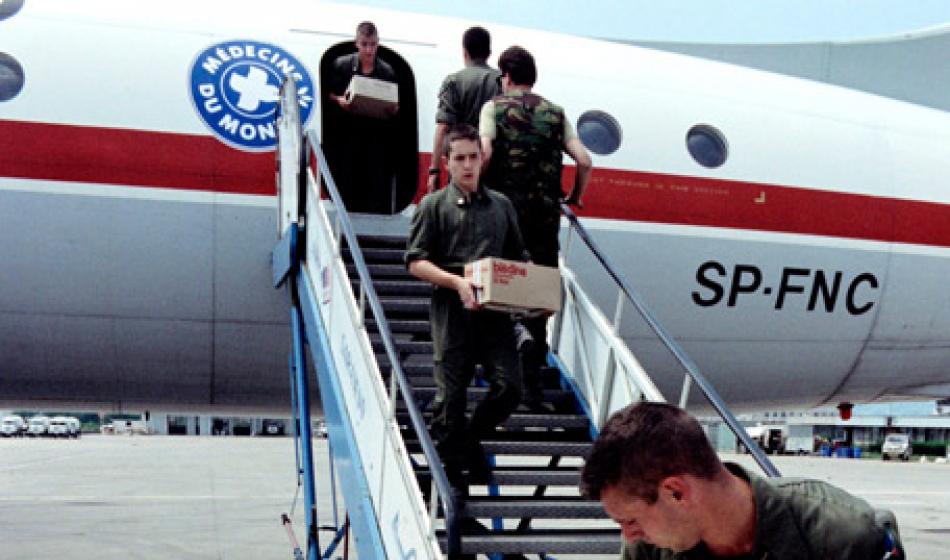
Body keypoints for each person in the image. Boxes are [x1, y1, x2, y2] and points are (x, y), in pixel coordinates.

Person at [581, 402, 905, 560]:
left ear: (676, 492)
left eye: (630, 520)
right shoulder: (647, 550)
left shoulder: (842, 535)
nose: (628, 534)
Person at [405, 124, 528, 501]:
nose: (468, 165)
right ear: (446, 163)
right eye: (460, 158)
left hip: (493, 312)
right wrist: (456, 283)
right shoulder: (433, 207)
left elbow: (519, 255)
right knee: (450, 397)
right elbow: (415, 262)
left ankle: (468, 440)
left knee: (510, 388)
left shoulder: (501, 206)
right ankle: (451, 473)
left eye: (474, 157)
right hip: (452, 307)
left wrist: (527, 288)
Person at [479, 45, 593, 411]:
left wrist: (473, 195)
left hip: (503, 216)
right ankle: (532, 391)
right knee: (538, 299)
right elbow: (585, 160)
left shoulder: (493, 108)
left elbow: (486, 152)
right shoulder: (556, 114)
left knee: (496, 294)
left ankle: (501, 375)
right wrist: (573, 195)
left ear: (506, 76)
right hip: (544, 218)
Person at [326, 21, 398, 214]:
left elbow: (395, 106)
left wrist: (392, 109)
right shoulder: (341, 65)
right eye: (365, 44)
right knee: (347, 174)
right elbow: (328, 94)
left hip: (375, 135)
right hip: (348, 133)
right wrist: (340, 100)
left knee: (374, 176)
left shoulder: (387, 72)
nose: (369, 50)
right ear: (356, 43)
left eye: (373, 44)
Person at [427, 26, 502, 193]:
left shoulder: (454, 81)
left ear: (464, 52)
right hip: (493, 172)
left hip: (461, 167)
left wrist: (434, 170)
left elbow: (443, 127)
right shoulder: (502, 82)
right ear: (489, 53)